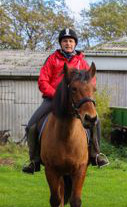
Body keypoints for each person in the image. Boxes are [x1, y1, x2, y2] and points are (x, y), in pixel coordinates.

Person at [22, 28, 109, 174]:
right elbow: (43, 80)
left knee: (96, 121)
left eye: (70, 41)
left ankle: (95, 155)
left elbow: (91, 80)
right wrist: (56, 95)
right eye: (65, 41)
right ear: (60, 43)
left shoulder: (81, 62)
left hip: (76, 101)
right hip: (53, 100)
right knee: (31, 126)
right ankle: (34, 160)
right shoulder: (52, 59)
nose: (68, 44)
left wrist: (87, 93)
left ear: (75, 44)